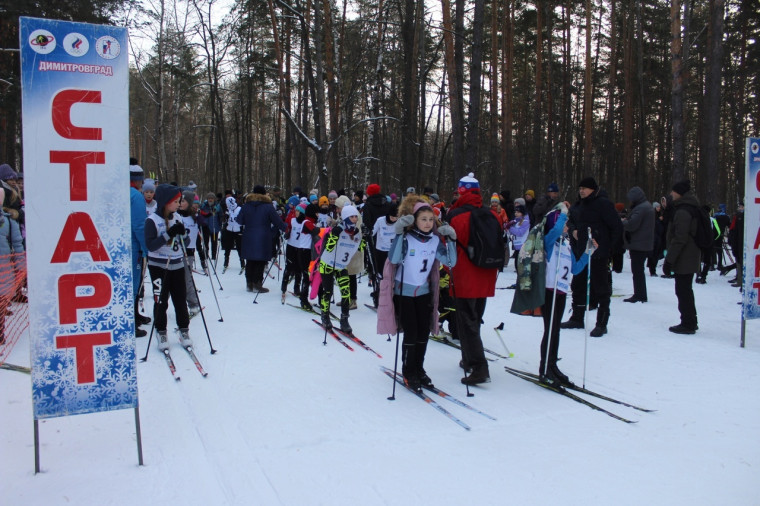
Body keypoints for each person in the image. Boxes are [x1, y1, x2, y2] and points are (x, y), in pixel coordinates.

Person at [377, 202, 457, 391]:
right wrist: (398, 233)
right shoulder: (406, 238)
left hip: (423, 292)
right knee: (411, 332)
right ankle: (408, 370)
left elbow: (451, 261)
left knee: (423, 332)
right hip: (403, 293)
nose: (428, 223)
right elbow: (395, 259)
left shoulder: (435, 240)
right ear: (415, 221)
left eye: (431, 219)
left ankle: (418, 368)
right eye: (423, 219)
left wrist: (451, 240)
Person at [446, 173, 498, 385]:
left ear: (462, 190)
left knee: (466, 321)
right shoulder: (492, 215)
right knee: (474, 318)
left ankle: (478, 366)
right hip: (486, 273)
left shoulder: (455, 215)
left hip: (465, 274)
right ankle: (469, 358)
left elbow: (447, 242)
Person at [536, 203, 593, 386]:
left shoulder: (566, 245)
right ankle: (545, 368)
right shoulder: (549, 241)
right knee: (550, 330)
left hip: (561, 292)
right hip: (549, 291)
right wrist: (563, 213)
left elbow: (575, 268)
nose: (567, 227)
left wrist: (588, 253)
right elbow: (557, 228)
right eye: (565, 224)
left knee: (555, 330)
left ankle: (552, 365)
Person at [560, 177, 623, 337]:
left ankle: (602, 323)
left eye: (585, 188)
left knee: (601, 288)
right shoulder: (578, 205)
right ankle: (577, 317)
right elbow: (571, 221)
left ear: (593, 190)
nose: (582, 191)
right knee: (578, 285)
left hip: (598, 253)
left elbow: (616, 227)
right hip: (581, 253)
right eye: (580, 188)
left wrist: (609, 249)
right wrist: (573, 231)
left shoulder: (603, 204)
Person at [144, 184, 192, 351]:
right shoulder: (152, 220)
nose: (178, 204)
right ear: (166, 202)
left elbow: (185, 243)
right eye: (176, 201)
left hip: (177, 264)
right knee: (161, 300)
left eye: (179, 201)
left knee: (180, 300)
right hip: (159, 266)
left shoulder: (177, 217)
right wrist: (168, 234)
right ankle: (161, 331)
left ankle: (184, 330)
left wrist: (182, 233)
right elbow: (151, 246)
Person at [318, 205, 365, 333]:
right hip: (328, 264)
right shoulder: (337, 230)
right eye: (352, 216)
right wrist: (334, 236)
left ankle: (344, 320)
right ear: (345, 217)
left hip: (341, 266)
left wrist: (365, 237)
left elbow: (360, 249)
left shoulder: (356, 233)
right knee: (328, 292)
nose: (355, 219)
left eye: (356, 216)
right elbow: (328, 248)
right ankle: (325, 316)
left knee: (346, 293)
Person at [663, 180, 702, 334]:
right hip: (689, 255)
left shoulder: (683, 211)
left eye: (673, 192)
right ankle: (691, 320)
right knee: (685, 289)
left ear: (679, 193)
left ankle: (688, 323)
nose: (671, 194)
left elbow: (680, 238)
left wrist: (669, 260)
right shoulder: (690, 207)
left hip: (685, 257)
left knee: (683, 290)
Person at [237, 185, 287, 293]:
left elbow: (239, 220)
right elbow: (277, 221)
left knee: (250, 260)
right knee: (260, 260)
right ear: (264, 194)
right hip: (263, 235)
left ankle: (249, 283)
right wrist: (287, 228)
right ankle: (257, 283)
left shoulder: (246, 205)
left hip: (249, 235)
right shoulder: (268, 206)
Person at [282, 202, 320, 308]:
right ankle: (301, 298)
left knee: (303, 273)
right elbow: (317, 231)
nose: (296, 213)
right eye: (316, 213)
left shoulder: (309, 221)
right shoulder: (307, 222)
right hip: (301, 250)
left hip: (304, 250)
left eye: (298, 211)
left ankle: (298, 290)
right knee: (298, 271)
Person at [0, 187, 25, 345]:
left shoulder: (9, 221)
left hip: (4, 270)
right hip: (5, 270)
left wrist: (22, 267)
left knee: (1, 302)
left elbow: (17, 244)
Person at [622, 186, 655, 303]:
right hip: (643, 243)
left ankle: (639, 295)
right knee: (638, 271)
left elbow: (632, 225)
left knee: (637, 271)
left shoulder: (641, 208)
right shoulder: (646, 206)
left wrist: (623, 222)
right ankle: (640, 293)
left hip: (639, 244)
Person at [129, 159, 150, 337]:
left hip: (122, 246)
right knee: (134, 284)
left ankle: (135, 314)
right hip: (133, 246)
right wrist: (146, 246)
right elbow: (139, 225)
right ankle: (131, 323)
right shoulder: (135, 196)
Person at [177, 191, 202, 315]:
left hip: (189, 253)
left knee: (187, 280)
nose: (180, 204)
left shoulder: (195, 217)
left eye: (183, 201)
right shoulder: (176, 215)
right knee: (176, 280)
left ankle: (193, 304)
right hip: (176, 252)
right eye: (179, 201)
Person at [506, 204, 531, 279]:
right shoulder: (515, 221)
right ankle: (519, 281)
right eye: (515, 212)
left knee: (521, 266)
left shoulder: (525, 221)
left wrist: (510, 228)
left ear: (522, 213)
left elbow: (520, 233)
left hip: (523, 246)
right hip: (517, 246)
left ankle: (522, 281)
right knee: (517, 265)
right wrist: (507, 226)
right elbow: (509, 229)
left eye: (518, 212)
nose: (516, 213)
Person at [222, 195, 245, 273]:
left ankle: (242, 263)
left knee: (239, 247)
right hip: (229, 230)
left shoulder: (239, 209)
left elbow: (243, 219)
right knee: (227, 247)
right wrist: (225, 217)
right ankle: (226, 262)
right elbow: (223, 221)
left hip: (238, 230)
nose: (229, 206)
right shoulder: (227, 210)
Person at [198, 192, 221, 266]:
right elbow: (200, 214)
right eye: (209, 198)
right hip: (205, 226)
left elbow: (221, 215)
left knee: (214, 241)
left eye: (211, 198)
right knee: (205, 241)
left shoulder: (217, 206)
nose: (210, 200)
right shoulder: (203, 205)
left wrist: (222, 220)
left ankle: (213, 255)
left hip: (215, 226)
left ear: (214, 199)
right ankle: (206, 254)